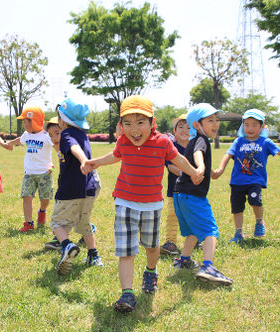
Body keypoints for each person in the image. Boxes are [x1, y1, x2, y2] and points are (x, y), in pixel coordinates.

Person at [81, 95, 202, 313]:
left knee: (151, 246)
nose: (133, 129)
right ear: (121, 125)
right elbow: (115, 156)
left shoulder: (163, 142)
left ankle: (151, 271)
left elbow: (178, 160)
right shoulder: (123, 142)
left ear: (152, 123)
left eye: (140, 123)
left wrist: (193, 172)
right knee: (126, 250)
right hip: (125, 201)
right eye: (127, 123)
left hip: (152, 205)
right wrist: (95, 162)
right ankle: (127, 294)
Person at [213, 109, 280, 243]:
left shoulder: (265, 142)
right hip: (237, 181)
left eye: (254, 125)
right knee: (237, 208)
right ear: (243, 125)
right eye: (247, 124)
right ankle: (238, 232)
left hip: (255, 181)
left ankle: (259, 222)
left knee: (255, 200)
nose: (250, 128)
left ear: (262, 126)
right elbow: (227, 155)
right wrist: (220, 169)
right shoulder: (238, 141)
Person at [172, 103, 234, 286]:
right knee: (209, 231)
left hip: (180, 194)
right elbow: (199, 153)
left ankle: (184, 260)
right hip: (193, 196)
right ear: (198, 125)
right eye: (210, 120)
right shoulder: (201, 140)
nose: (216, 124)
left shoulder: (193, 141)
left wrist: (210, 172)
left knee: (192, 231)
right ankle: (208, 267)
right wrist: (201, 167)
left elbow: (195, 154)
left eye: (216, 120)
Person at [44, 99, 103, 274]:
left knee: (56, 222)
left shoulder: (67, 134)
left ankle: (67, 245)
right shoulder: (82, 134)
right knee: (84, 223)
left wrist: (83, 160)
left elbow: (74, 148)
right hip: (88, 189)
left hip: (70, 189)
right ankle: (94, 256)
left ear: (62, 120)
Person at [7, 107, 56, 232]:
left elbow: (56, 145)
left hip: (44, 173)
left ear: (34, 121)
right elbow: (20, 140)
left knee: (45, 198)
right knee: (26, 196)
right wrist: (10, 143)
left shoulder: (46, 136)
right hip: (29, 173)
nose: (23, 124)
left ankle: (42, 210)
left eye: (25, 121)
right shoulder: (26, 135)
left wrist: (60, 158)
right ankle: (28, 223)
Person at [160, 114, 190, 256]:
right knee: (173, 216)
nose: (185, 130)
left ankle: (194, 240)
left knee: (191, 215)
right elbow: (171, 167)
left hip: (193, 191)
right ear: (175, 131)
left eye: (189, 127)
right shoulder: (172, 148)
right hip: (175, 190)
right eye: (181, 127)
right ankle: (171, 242)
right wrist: (189, 174)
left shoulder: (195, 148)